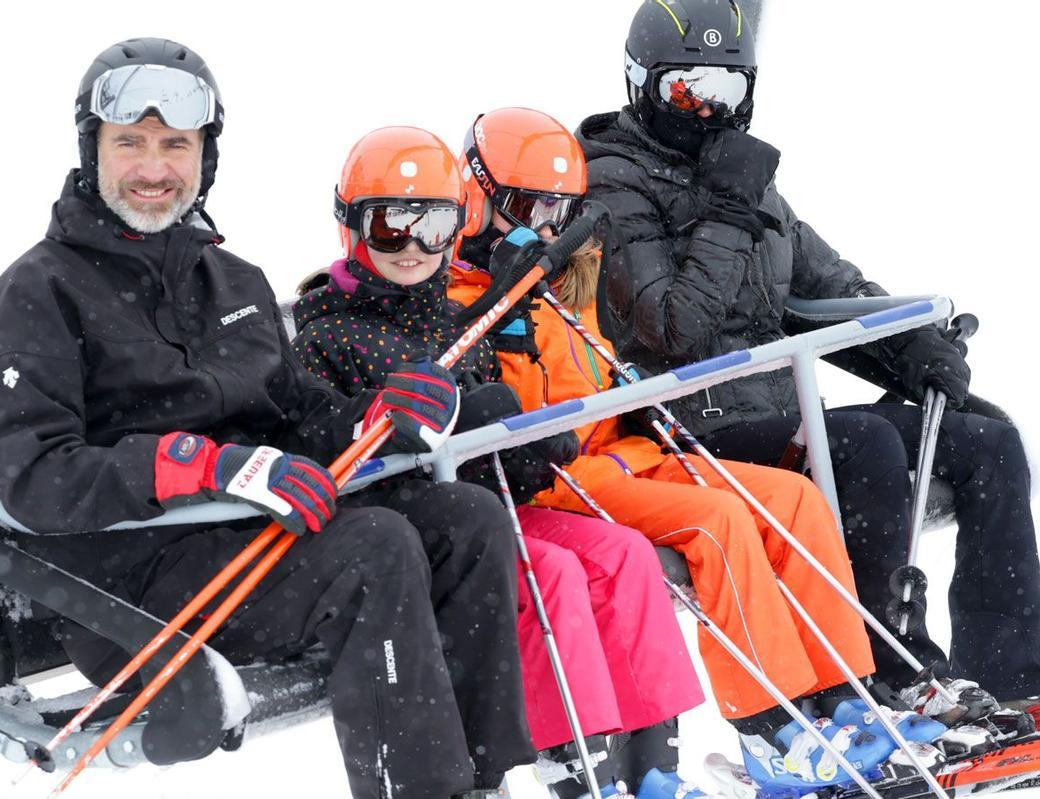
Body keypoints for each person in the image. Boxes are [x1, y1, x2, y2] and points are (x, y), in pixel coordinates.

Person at [0, 38, 535, 799]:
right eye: (129, 143)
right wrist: (199, 464)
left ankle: (486, 780)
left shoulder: (232, 281)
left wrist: (376, 414)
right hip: (133, 585)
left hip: (253, 540)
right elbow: (36, 478)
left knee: (467, 518)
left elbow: (293, 418)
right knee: (376, 547)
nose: (154, 168)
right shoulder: (37, 295)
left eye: (176, 144)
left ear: (205, 155)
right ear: (90, 149)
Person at [577, 0, 1040, 715]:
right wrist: (724, 212)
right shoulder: (610, 185)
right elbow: (676, 327)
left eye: (727, 91)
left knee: (987, 441)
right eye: (685, 89)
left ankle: (1014, 685)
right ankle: (893, 674)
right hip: (687, 429)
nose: (707, 112)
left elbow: (828, 286)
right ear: (641, 83)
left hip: (780, 417)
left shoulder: (748, 181)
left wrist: (908, 348)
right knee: (864, 442)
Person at [447, 106, 906, 792]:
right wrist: (507, 304)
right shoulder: (463, 300)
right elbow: (508, 405)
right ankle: (770, 723)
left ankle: (843, 699)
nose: (541, 225)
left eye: (557, 209)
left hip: (625, 451)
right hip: (564, 477)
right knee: (717, 525)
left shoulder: (559, 283)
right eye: (524, 205)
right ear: (476, 196)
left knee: (790, 499)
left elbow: (609, 360)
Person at [291, 124, 704, 797]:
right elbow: (329, 450)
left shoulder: (455, 323)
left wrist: (527, 449)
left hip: (489, 510)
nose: (415, 248)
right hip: (420, 536)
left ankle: (654, 767)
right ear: (353, 227)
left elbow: (495, 451)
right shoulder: (328, 332)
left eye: (436, 226)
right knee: (553, 576)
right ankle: (580, 770)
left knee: (622, 553)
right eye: (393, 227)